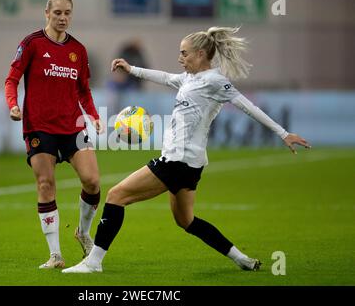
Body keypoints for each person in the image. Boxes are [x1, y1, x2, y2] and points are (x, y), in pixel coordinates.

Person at [63, 26, 311, 273]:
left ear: (201, 54)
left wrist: (283, 133)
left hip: (177, 161)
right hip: (191, 164)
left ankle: (93, 262)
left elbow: (248, 107)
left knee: (116, 196)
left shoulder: (215, 82)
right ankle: (241, 258)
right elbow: (165, 77)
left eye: (184, 53)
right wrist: (132, 69)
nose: (180, 58)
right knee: (186, 220)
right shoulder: (190, 78)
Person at [4, 0, 103, 269]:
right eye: (57, 12)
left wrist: (93, 115)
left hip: (72, 124)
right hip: (39, 125)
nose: (63, 18)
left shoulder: (78, 51)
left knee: (93, 181)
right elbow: (11, 80)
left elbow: (83, 90)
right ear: (47, 13)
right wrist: (13, 105)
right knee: (46, 184)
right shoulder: (32, 44)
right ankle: (56, 255)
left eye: (67, 13)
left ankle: (83, 233)